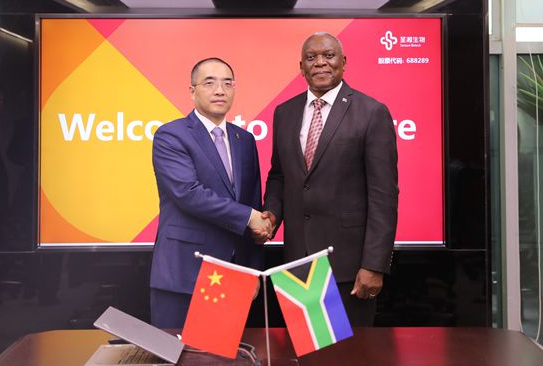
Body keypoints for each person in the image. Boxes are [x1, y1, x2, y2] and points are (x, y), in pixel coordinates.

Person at [261, 32, 398, 326]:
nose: (320, 63)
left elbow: (383, 196)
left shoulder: (372, 112)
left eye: (328, 55)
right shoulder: (284, 113)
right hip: (297, 264)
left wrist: (374, 265)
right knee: (304, 348)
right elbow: (279, 175)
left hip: (350, 268)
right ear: (301, 67)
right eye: (311, 57)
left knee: (351, 351)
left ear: (343, 62)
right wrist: (271, 213)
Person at [150, 57, 272, 328]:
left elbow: (252, 203)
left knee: (228, 350)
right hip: (184, 274)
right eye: (209, 83)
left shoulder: (245, 140)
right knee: (178, 350)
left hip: (234, 276)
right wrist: (250, 216)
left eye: (227, 83)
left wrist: (253, 270)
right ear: (192, 91)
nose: (220, 90)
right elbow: (188, 193)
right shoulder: (171, 135)